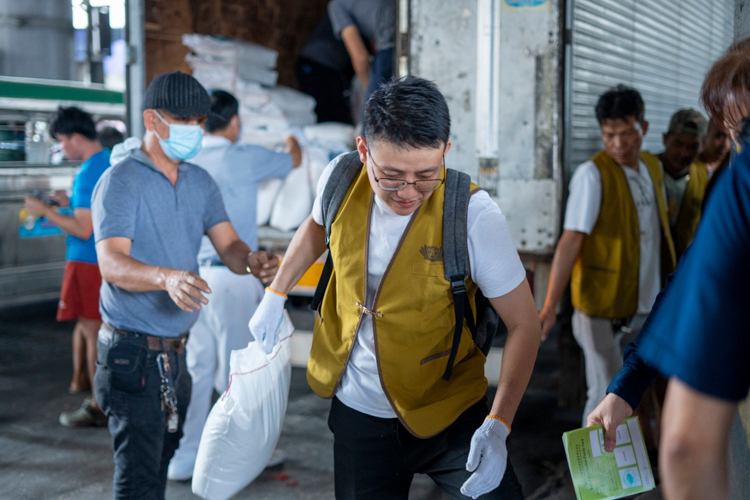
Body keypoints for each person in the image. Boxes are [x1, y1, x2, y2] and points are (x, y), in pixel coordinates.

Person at [248, 76, 541, 499]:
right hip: (359, 414)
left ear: (445, 151)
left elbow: (524, 324)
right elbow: (314, 231)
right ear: (364, 149)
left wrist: (499, 424)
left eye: (426, 175)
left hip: (449, 412)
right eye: (391, 176)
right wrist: (276, 294)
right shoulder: (339, 180)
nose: (408, 192)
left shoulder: (473, 214)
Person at [91, 72, 280, 499]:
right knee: (138, 479)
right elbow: (112, 262)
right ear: (152, 120)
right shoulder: (121, 182)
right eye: (183, 120)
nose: (193, 130)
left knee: (161, 462)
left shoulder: (198, 182)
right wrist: (165, 277)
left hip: (175, 356)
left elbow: (229, 244)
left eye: (198, 120)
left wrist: (252, 261)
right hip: (132, 355)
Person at [586, 40, 750, 500]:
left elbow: (686, 447)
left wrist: (628, 383)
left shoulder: (738, 180)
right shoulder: (614, 174)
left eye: (738, 128)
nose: (732, 141)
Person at [167, 89, 301, 481]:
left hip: (191, 280)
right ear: (236, 122)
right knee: (240, 371)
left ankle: (187, 455)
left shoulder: (185, 159)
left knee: (197, 367)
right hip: (234, 275)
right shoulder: (242, 156)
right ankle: (239, 458)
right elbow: (293, 159)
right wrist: (294, 138)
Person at [538, 85, 676, 427]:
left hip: (643, 305)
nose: (617, 143)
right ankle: (594, 479)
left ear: (642, 128)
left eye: (626, 133)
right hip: (599, 310)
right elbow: (570, 242)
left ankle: (630, 475)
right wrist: (550, 306)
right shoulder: (591, 175)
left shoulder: (651, 168)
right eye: (608, 135)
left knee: (630, 396)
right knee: (606, 395)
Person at [24, 106, 111, 427]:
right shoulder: (107, 161)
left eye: (62, 141)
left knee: (93, 335)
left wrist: (44, 210)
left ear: (76, 137)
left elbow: (83, 229)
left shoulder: (88, 171)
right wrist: (66, 203)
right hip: (102, 259)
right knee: (101, 333)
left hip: (86, 260)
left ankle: (98, 405)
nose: (63, 148)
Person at [327, 0, 395, 119]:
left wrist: (368, 90)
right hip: (403, 38)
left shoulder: (337, 5)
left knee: (371, 119)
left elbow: (360, 56)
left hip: (388, 48)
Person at [659, 109, 708, 260]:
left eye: (693, 146)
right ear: (665, 138)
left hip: (683, 267)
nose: (684, 153)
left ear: (703, 146)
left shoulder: (703, 176)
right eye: (678, 144)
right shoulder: (647, 170)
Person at [297, 14, 355, 124]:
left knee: (335, 108)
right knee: (329, 111)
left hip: (327, 66)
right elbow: (360, 55)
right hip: (317, 65)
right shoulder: (341, 9)